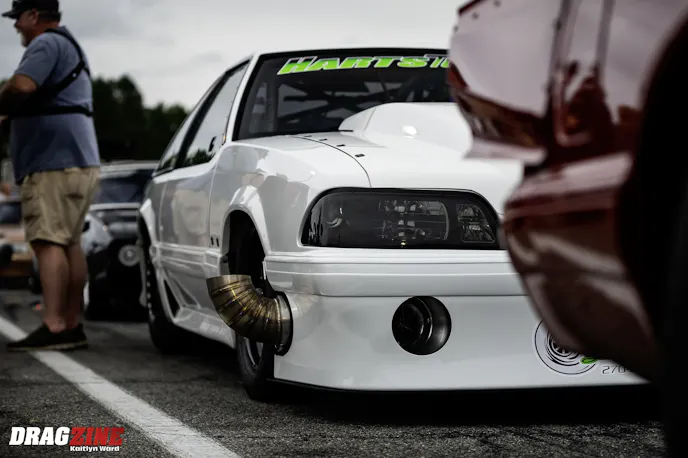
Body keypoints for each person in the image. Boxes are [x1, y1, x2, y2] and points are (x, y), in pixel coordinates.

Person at [0, 0, 100, 351]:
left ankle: (54, 325)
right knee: (69, 242)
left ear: (33, 16)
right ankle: (70, 324)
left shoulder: (45, 43)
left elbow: (22, 85)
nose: (16, 26)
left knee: (47, 242)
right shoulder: (69, 45)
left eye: (18, 18)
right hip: (80, 159)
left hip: (51, 163)